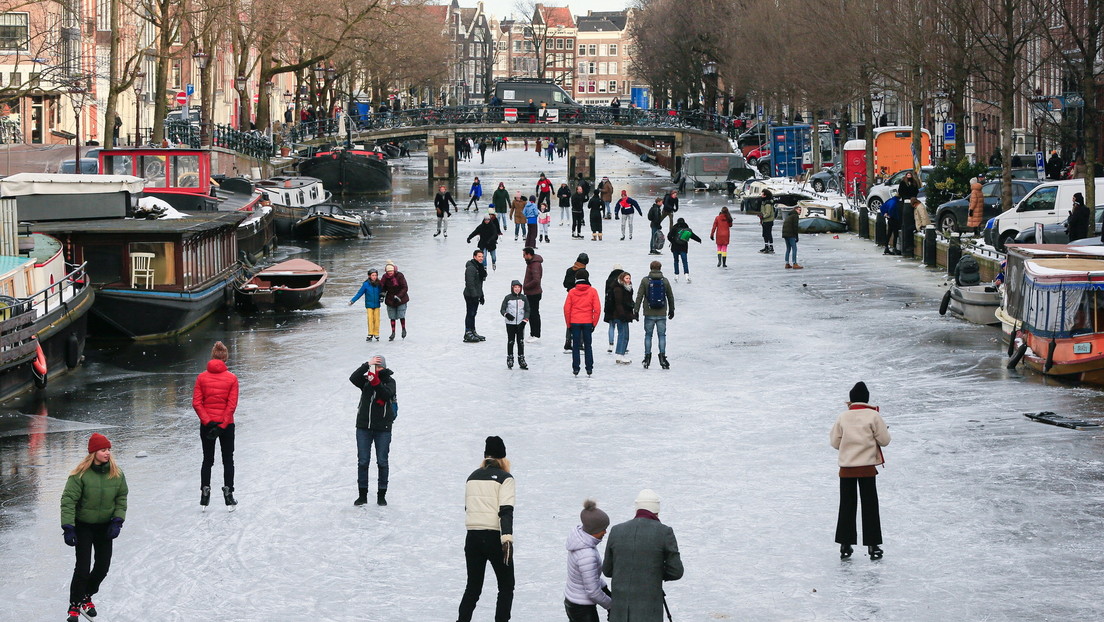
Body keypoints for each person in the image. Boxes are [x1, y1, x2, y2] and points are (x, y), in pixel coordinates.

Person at [61, 433, 128, 622]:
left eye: (108, 450)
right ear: (93, 453)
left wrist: (117, 520)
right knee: (82, 568)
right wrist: (68, 527)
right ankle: (74, 604)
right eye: (103, 450)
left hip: (105, 527)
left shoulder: (117, 474)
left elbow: (121, 498)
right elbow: (68, 501)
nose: (107, 453)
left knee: (102, 567)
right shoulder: (79, 475)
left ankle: (86, 595)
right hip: (84, 527)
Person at [457, 436, 515, 622]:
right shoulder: (505, 479)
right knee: (506, 586)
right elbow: (505, 511)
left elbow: (468, 507)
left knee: (473, 588)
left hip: (472, 537)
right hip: (494, 537)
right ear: (503, 458)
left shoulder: (471, 477)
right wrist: (507, 539)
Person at [602, 489, 683, 622]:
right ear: (657, 510)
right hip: (649, 612)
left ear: (637, 509)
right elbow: (676, 572)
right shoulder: (664, 532)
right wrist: (654, 572)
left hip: (619, 612)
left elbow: (607, 570)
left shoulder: (616, 531)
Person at [831, 381, 891, 561]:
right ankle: (873, 546)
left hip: (847, 469)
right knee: (870, 505)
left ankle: (845, 544)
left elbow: (835, 443)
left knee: (847, 506)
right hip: (866, 469)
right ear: (867, 399)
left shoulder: (843, 417)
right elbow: (885, 440)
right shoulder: (873, 416)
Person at [192, 341, 239, 508]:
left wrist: (208, 422)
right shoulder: (232, 378)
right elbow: (231, 405)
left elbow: (197, 403)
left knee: (207, 460)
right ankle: (228, 493)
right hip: (226, 426)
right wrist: (222, 425)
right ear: (225, 358)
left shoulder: (201, 377)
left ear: (212, 356)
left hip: (207, 426)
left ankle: (205, 492)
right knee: (228, 460)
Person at [350, 355, 397, 507]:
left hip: (383, 428)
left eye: (378, 367)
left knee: (382, 462)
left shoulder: (390, 381)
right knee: (363, 461)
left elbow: (386, 394)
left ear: (383, 367)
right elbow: (353, 377)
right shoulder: (365, 380)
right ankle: (362, 495)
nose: (376, 370)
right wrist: (366, 365)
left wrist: (375, 381)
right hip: (363, 427)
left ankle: (381, 495)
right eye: (374, 366)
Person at [564, 500, 613, 621]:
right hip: (582, 609)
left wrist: (606, 591)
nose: (605, 532)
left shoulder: (580, 540)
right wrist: (611, 605)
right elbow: (593, 591)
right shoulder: (587, 555)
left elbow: (590, 578)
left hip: (572, 601)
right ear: (594, 530)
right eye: (603, 529)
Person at [633, 260, 674, 370]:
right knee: (662, 336)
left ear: (650, 268)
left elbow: (639, 296)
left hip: (649, 313)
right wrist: (672, 310)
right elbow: (670, 296)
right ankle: (662, 357)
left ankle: (647, 358)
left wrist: (635, 310)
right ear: (660, 268)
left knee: (648, 335)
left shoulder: (645, 281)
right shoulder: (664, 281)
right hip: (661, 313)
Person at [564, 268, 601, 376]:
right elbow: (597, 309)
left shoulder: (572, 292)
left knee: (575, 345)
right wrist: (594, 323)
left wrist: (568, 324)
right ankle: (589, 368)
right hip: (588, 322)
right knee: (588, 345)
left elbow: (567, 309)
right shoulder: (592, 291)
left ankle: (576, 368)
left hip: (575, 321)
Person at [500, 280, 530, 370]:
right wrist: (506, 315)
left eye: (519, 287)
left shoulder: (523, 298)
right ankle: (510, 357)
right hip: (510, 324)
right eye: (515, 287)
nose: (517, 289)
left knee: (520, 341)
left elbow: (527, 310)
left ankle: (521, 358)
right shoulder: (508, 298)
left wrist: (525, 320)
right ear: (512, 288)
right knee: (511, 341)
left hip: (520, 323)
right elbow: (502, 309)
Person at [563, 253, 590, 351]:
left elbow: (565, 284)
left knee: (570, 318)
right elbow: (587, 285)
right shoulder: (583, 272)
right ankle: (579, 343)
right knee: (581, 319)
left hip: (570, 296)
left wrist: (571, 288)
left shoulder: (570, 270)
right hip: (581, 297)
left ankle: (568, 341)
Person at [349, 268, 383, 340]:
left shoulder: (379, 284)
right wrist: (353, 301)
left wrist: (382, 297)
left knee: (377, 319)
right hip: (369, 305)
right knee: (370, 319)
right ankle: (370, 333)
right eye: (373, 275)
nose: (374, 277)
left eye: (375, 275)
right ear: (369, 276)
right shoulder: (366, 284)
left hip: (377, 304)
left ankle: (376, 333)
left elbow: (383, 291)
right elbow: (360, 293)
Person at [609, 271, 635, 365]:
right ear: (622, 279)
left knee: (626, 335)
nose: (628, 280)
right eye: (627, 278)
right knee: (622, 334)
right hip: (620, 315)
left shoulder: (627, 288)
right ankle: (619, 354)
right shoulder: (618, 289)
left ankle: (621, 354)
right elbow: (618, 303)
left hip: (625, 314)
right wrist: (622, 315)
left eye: (629, 278)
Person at [463, 249, 488, 343]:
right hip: (470, 295)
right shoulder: (471, 268)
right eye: (479, 256)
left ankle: (473, 331)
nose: (481, 258)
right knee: (470, 313)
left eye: (482, 256)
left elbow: (479, 284)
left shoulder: (479, 267)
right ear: (474, 257)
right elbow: (470, 283)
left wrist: (481, 295)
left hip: (475, 294)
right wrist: (474, 296)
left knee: (473, 313)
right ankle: (467, 332)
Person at [381, 261, 409, 340]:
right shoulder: (384, 277)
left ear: (394, 270)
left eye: (391, 271)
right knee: (392, 317)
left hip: (401, 299)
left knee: (401, 315)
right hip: (390, 300)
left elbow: (405, 287)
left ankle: (403, 329)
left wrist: (399, 296)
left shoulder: (400, 276)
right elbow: (383, 287)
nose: (390, 273)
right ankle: (393, 332)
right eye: (388, 271)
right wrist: (382, 295)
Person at [667, 218, 702, 282]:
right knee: (685, 262)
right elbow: (693, 236)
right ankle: (687, 275)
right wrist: (699, 240)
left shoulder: (674, 228)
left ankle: (676, 276)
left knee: (676, 261)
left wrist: (673, 241)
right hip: (683, 247)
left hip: (675, 247)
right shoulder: (686, 229)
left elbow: (669, 236)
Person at [602, 264, 625, 353]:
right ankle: (622, 345)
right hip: (621, 306)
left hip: (610, 306)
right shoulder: (623, 279)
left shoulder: (609, 280)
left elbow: (606, 294)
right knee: (621, 328)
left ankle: (610, 345)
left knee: (611, 326)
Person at [897, 170, 921, 255]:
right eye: (907, 175)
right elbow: (901, 191)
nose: (909, 176)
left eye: (910, 175)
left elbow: (916, 190)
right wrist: (905, 198)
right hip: (906, 201)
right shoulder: (903, 183)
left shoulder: (914, 183)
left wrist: (913, 198)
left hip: (912, 200)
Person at [522, 247, 543, 340]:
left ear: (529, 254)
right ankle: (533, 333)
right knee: (532, 313)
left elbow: (536, 280)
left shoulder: (534, 265)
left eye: (524, 255)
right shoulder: (531, 263)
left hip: (534, 293)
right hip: (532, 292)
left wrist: (526, 286)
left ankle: (536, 334)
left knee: (534, 313)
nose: (523, 257)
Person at [758, 189, 776, 254]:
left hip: (768, 221)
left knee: (768, 234)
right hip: (765, 221)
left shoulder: (767, 203)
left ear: (765, 195)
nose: (761, 195)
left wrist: (763, 216)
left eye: (762, 194)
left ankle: (771, 247)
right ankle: (766, 246)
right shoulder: (764, 202)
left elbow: (768, 213)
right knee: (765, 234)